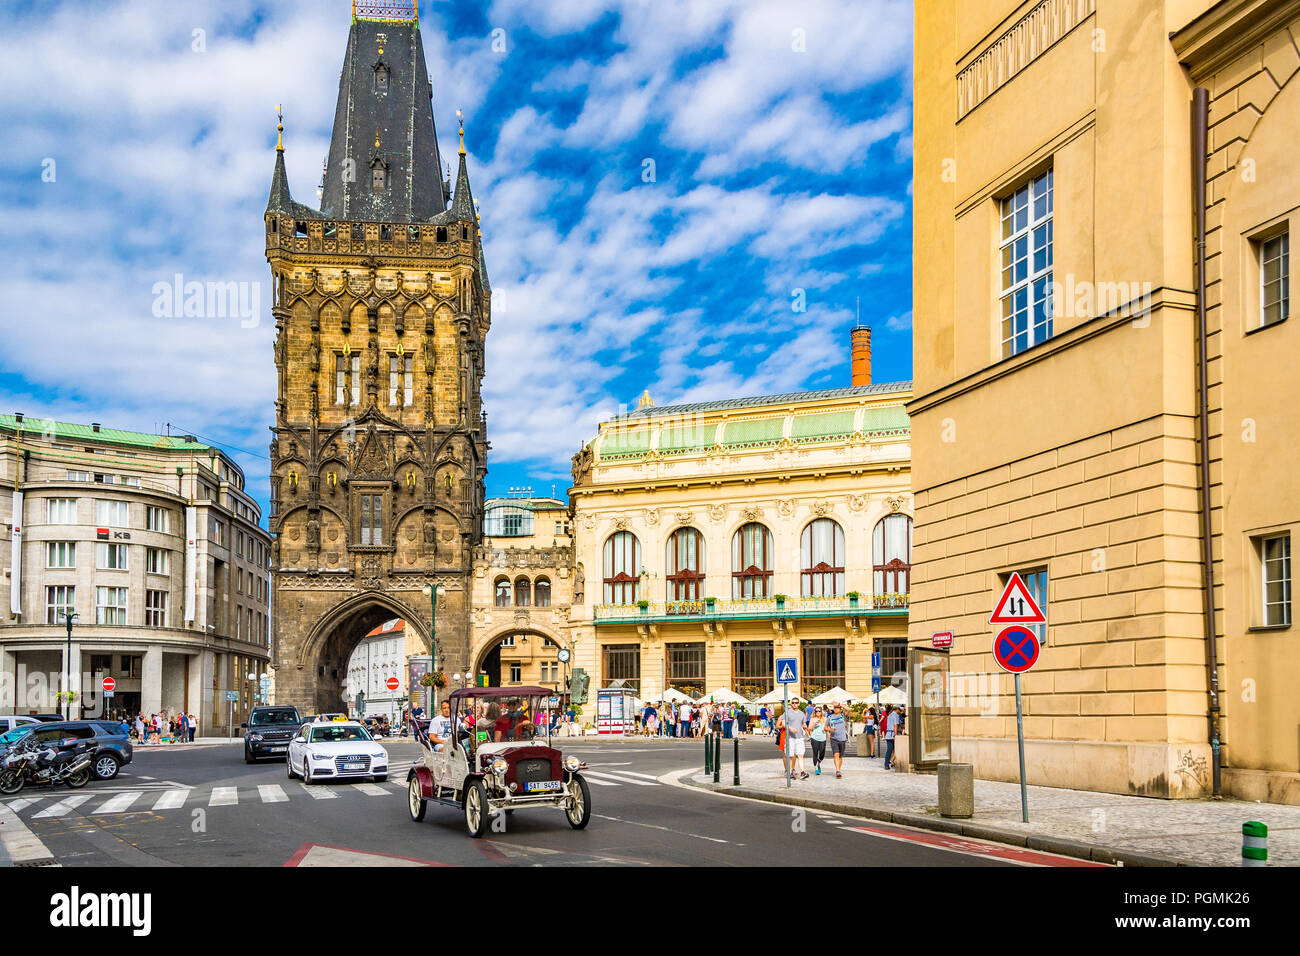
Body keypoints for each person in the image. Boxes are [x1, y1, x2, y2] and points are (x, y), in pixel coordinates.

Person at [784, 700, 808, 779]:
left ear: (799, 704)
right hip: (790, 737)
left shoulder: (801, 713)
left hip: (799, 737)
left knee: (801, 755)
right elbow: (784, 724)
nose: (794, 704)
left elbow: (803, 723)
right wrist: (790, 728)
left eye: (796, 703)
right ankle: (790, 773)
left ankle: (802, 772)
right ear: (791, 704)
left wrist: (805, 726)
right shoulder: (787, 712)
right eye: (793, 703)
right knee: (791, 756)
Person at [826, 702, 849, 778]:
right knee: (836, 754)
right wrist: (829, 729)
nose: (836, 709)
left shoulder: (843, 716)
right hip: (834, 739)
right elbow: (825, 727)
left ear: (840, 709)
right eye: (835, 707)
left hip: (842, 738)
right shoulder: (830, 717)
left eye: (837, 707)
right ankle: (838, 770)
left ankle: (839, 768)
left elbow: (848, 709)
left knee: (840, 756)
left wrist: (839, 703)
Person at [808, 706, 827, 775]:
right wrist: (814, 724)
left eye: (819, 711)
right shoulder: (813, 719)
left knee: (822, 753)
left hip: (823, 738)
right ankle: (816, 768)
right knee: (815, 753)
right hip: (814, 738)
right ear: (815, 712)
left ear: (821, 712)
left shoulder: (825, 719)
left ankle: (818, 763)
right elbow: (809, 728)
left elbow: (827, 727)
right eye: (816, 711)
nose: (818, 712)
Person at [883, 704, 900, 770]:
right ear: (897, 709)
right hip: (892, 734)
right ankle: (891, 761)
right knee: (896, 750)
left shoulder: (889, 715)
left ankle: (887, 764)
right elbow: (895, 726)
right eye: (899, 710)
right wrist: (895, 735)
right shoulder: (895, 715)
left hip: (888, 734)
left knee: (889, 750)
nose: (900, 712)